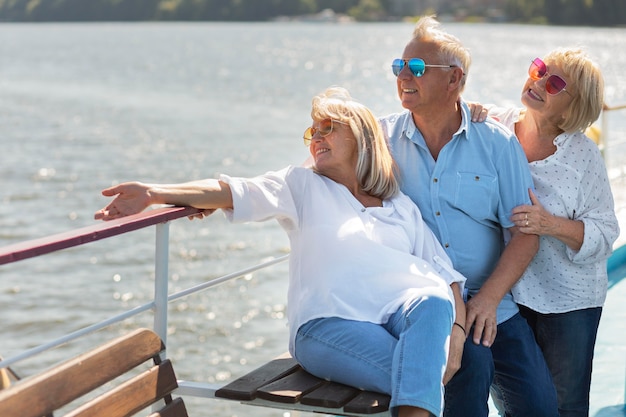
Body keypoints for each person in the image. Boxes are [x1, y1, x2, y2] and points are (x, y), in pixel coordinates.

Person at [95, 87, 467, 417]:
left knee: (433, 304)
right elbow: (232, 190)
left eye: (328, 128)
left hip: (402, 313)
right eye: (312, 131)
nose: (316, 137)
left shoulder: (399, 205)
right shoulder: (301, 186)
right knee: (423, 374)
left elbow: (445, 275)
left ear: (361, 136)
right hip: (329, 324)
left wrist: (458, 330)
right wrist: (154, 193)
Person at [378, 15, 559, 417]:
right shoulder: (380, 140)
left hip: (494, 302)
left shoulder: (496, 143)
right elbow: (315, 170)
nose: (404, 75)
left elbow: (525, 233)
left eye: (418, 68)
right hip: (425, 304)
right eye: (399, 67)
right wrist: (222, 197)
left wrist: (490, 300)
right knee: (468, 380)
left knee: (541, 408)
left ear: (454, 79)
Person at [473, 48, 620, 417]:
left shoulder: (583, 155)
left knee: (565, 406)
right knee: (514, 400)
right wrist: (465, 112)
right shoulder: (495, 126)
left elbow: (606, 232)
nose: (537, 81)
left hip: (569, 301)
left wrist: (548, 224)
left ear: (572, 109)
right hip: (509, 291)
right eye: (539, 70)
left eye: (554, 83)